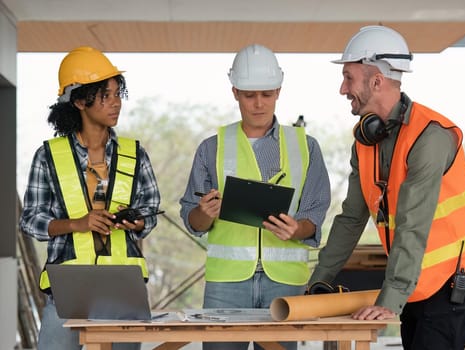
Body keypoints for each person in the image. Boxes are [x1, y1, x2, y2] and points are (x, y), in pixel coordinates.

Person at [308, 25, 465, 350]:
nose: (342, 88)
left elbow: (412, 224)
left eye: (349, 77)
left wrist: (390, 300)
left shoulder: (430, 137)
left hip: (448, 281)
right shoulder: (366, 141)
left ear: (376, 81)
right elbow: (350, 219)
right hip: (413, 280)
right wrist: (320, 280)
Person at [179, 43, 331, 350]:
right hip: (226, 282)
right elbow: (191, 218)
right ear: (235, 92)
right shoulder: (212, 147)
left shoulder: (306, 146)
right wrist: (204, 213)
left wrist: (297, 229)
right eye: (249, 95)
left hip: (284, 280)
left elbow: (315, 214)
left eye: (266, 94)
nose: (258, 104)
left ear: (278, 90)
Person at [19, 46, 161, 350]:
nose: (116, 103)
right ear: (81, 100)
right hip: (68, 288)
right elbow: (30, 221)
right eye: (105, 95)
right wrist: (78, 223)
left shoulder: (135, 155)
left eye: (117, 94)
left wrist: (136, 222)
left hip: (123, 287)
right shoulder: (49, 156)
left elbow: (150, 212)